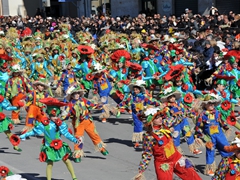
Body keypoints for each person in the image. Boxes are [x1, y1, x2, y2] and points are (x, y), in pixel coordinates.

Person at [20, 97, 81, 180]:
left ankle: (74, 177)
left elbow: (66, 133)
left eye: (56, 115)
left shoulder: (60, 124)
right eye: (52, 116)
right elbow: (35, 131)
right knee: (49, 164)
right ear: (49, 114)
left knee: (66, 160)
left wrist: (75, 140)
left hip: (59, 145)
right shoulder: (44, 124)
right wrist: (24, 135)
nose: (55, 117)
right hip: (49, 147)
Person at [133, 107, 202, 180]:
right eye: (156, 118)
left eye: (160, 116)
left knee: (194, 177)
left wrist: (191, 112)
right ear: (151, 121)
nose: (160, 119)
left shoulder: (165, 124)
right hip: (163, 164)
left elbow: (178, 117)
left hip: (177, 158)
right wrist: (141, 171)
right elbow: (147, 154)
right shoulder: (149, 136)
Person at [194, 93, 233, 176]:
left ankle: (229, 165)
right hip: (209, 137)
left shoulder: (217, 113)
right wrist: (198, 135)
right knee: (210, 151)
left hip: (219, 135)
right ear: (205, 105)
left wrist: (226, 128)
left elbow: (221, 121)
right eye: (209, 103)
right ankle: (210, 169)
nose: (211, 105)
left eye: (213, 103)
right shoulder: (202, 115)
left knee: (226, 147)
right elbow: (198, 125)